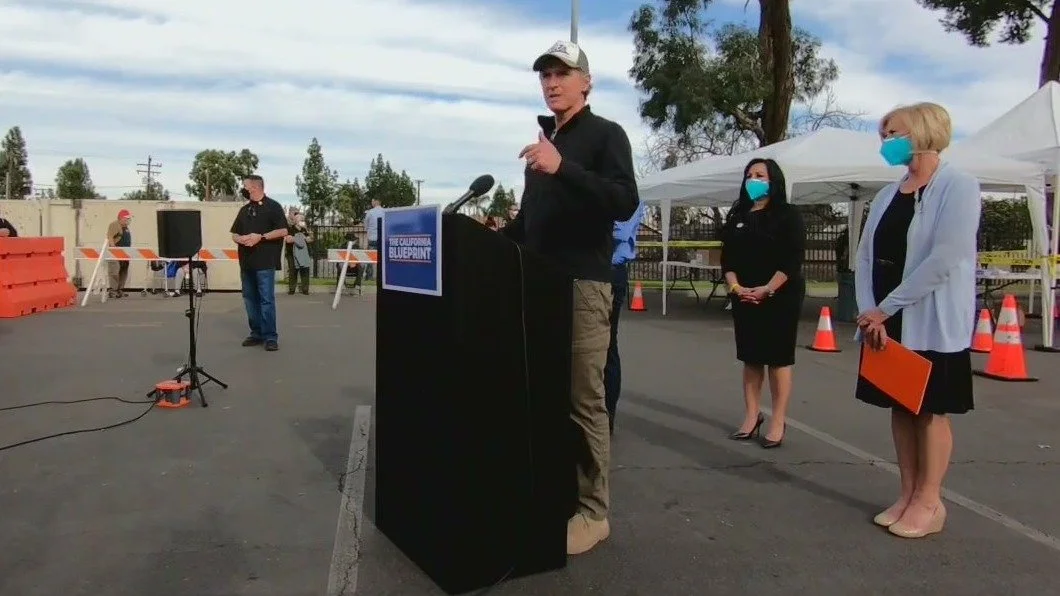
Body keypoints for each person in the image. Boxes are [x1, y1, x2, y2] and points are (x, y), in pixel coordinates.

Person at [502, 39, 639, 556]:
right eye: (545, 75)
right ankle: (554, 491)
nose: (552, 82)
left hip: (583, 285)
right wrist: (485, 240)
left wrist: (563, 167)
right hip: (538, 285)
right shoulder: (541, 148)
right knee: (545, 394)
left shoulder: (605, 135)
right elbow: (527, 224)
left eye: (562, 73)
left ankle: (593, 511)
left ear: (586, 82)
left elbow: (624, 200)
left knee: (585, 400)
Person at [854, 102, 979, 539]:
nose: (887, 141)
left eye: (895, 132)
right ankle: (906, 493)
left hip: (930, 319)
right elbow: (866, 256)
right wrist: (871, 312)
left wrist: (887, 307)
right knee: (901, 409)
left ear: (923, 131)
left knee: (929, 412)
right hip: (885, 323)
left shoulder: (958, 186)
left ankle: (930, 501)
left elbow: (946, 258)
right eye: (884, 134)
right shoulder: (888, 195)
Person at [720, 158, 806, 449]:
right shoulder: (738, 215)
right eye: (749, 175)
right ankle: (751, 417)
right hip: (744, 295)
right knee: (751, 358)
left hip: (779, 294)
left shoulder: (788, 215)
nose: (753, 179)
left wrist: (768, 289)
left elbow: (792, 259)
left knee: (778, 359)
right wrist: (736, 287)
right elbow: (727, 260)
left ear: (774, 181)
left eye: (760, 175)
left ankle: (778, 420)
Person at [229, 175, 288, 351]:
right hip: (246, 263)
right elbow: (234, 233)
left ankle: (270, 336)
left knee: (266, 300)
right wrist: (240, 239)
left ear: (254, 187)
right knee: (249, 299)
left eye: (245, 186)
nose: (243, 189)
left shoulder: (273, 207)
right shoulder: (244, 210)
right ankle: (256, 333)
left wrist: (260, 237)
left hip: (265, 262)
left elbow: (283, 230)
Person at [604, 200, 646, 435]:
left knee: (607, 344)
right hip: (582, 271)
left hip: (609, 271)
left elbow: (617, 232)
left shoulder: (625, 193)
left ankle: (606, 415)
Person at [106, 209, 133, 298]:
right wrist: (113, 250)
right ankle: (113, 290)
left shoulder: (126, 227)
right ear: (121, 218)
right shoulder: (114, 225)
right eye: (126, 219)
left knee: (123, 271)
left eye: (128, 219)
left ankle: (120, 289)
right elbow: (110, 237)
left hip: (125, 253)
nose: (128, 221)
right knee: (114, 271)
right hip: (116, 253)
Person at [284, 211, 312, 295]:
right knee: (293, 271)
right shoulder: (290, 229)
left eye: (303, 220)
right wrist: (301, 238)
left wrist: (308, 233)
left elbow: (310, 240)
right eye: (300, 219)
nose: (302, 221)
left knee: (305, 270)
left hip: (303, 254)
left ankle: (305, 289)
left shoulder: (304, 230)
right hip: (291, 254)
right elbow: (288, 239)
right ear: (296, 220)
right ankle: (292, 289)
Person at [363, 198, 384, 280]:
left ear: (376, 202)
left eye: (372, 201)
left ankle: (369, 276)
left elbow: (366, 224)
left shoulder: (370, 212)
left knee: (370, 258)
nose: (371, 203)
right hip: (382, 238)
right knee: (382, 258)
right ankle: (382, 276)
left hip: (372, 238)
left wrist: (368, 230)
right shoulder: (384, 212)